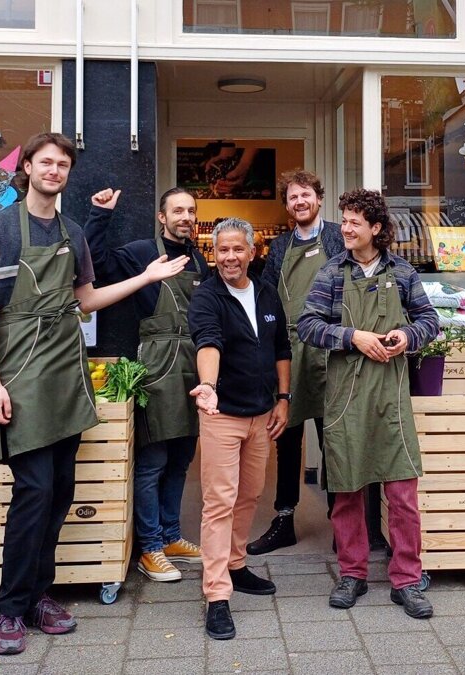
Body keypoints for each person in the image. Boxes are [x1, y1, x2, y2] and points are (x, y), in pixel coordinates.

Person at [0, 132, 188, 655]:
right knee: (34, 491)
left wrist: (146, 277)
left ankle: (41, 595)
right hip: (19, 369)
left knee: (61, 490)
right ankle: (11, 608)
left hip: (66, 369)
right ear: (27, 167)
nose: (55, 170)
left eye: (63, 164)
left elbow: (86, 301)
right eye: (46, 162)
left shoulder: (73, 232)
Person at [296, 188, 440, 620]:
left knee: (402, 494)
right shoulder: (331, 274)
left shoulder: (403, 273)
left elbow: (430, 321)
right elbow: (307, 325)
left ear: (376, 228)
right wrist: (351, 337)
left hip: (391, 396)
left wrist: (406, 338)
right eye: (344, 221)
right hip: (345, 396)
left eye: (355, 222)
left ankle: (407, 580)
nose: (346, 228)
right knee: (346, 491)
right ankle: (352, 573)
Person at [85, 186, 210, 583]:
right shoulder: (141, 251)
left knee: (181, 459)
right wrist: (100, 215)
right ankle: (150, 547)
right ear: (162, 216)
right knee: (153, 461)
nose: (185, 217)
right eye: (177, 210)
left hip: (194, 363)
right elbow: (95, 265)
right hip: (157, 363)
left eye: (191, 210)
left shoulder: (199, 259)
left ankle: (172, 537)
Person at [187, 218, 291, 640]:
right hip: (223, 415)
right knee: (219, 503)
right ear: (215, 254)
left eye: (237, 249)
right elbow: (208, 341)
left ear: (252, 251)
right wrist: (208, 387)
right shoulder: (207, 295)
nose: (229, 257)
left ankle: (236, 563)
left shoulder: (266, 291)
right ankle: (216, 596)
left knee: (249, 494)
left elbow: (282, 346)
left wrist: (284, 399)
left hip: (262, 414)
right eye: (222, 250)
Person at [247, 170, 345, 556]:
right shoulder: (282, 245)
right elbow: (269, 295)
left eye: (305, 195)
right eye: (292, 197)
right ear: (287, 206)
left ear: (319, 198)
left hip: (330, 347)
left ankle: (345, 523)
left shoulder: (338, 236)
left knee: (334, 437)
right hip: (288, 349)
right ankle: (284, 519)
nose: (299, 202)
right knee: (286, 438)